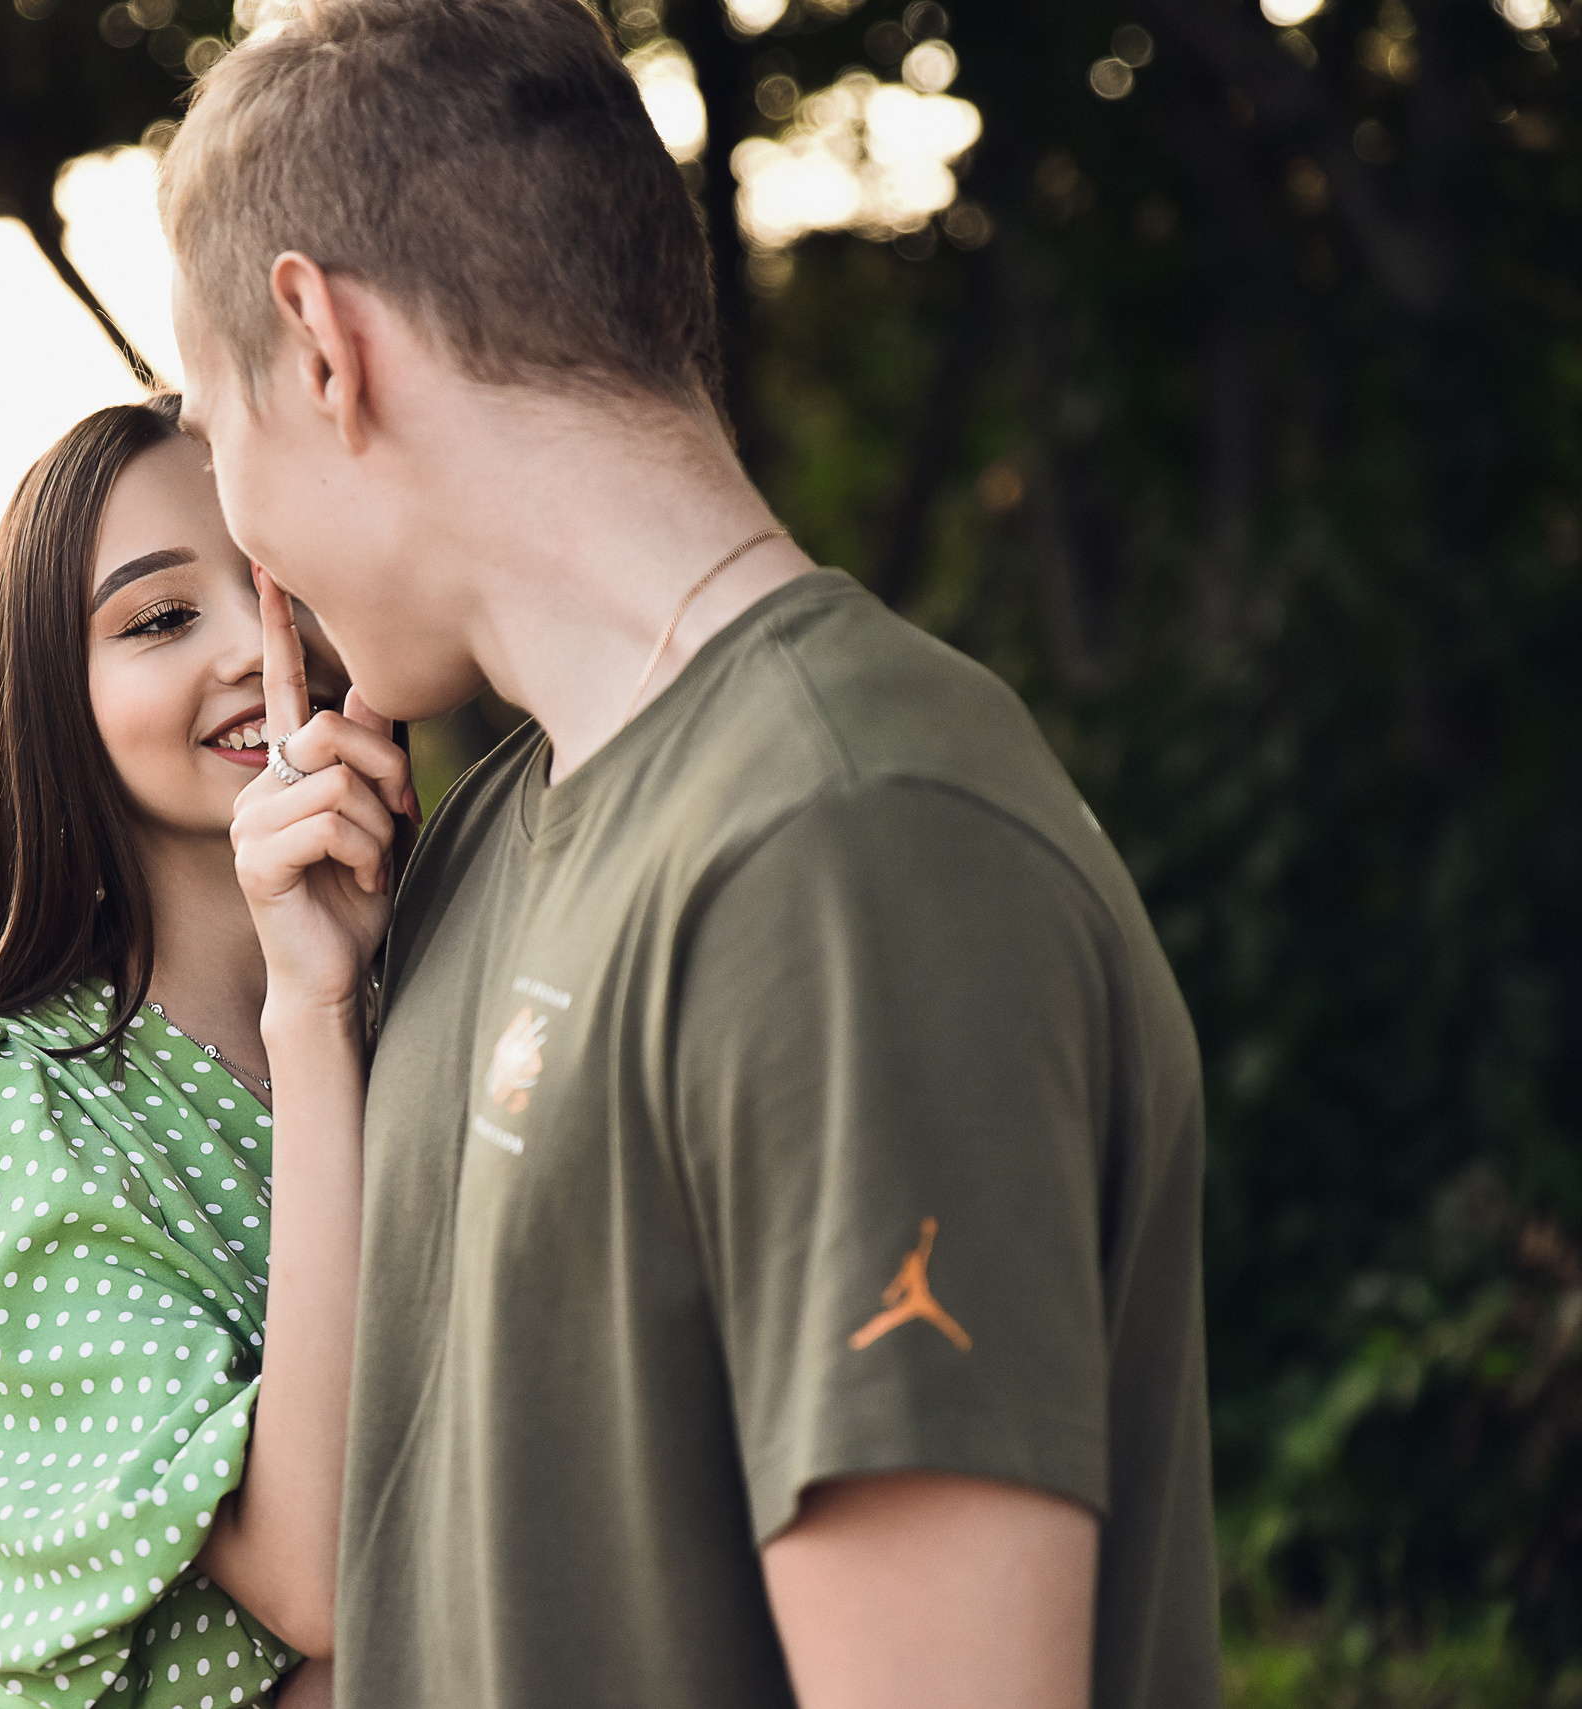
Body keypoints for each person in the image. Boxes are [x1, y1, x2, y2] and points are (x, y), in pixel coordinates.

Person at [156, 2, 1226, 1706]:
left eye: (214, 429)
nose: (244, 535)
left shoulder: (854, 851)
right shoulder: (492, 839)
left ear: (322, 345)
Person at [0, 395, 414, 1708]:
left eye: (288, 581)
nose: (262, 650)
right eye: (157, 619)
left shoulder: (461, 977)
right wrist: (310, 1010)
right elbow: (316, 1572)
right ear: (56, 695)